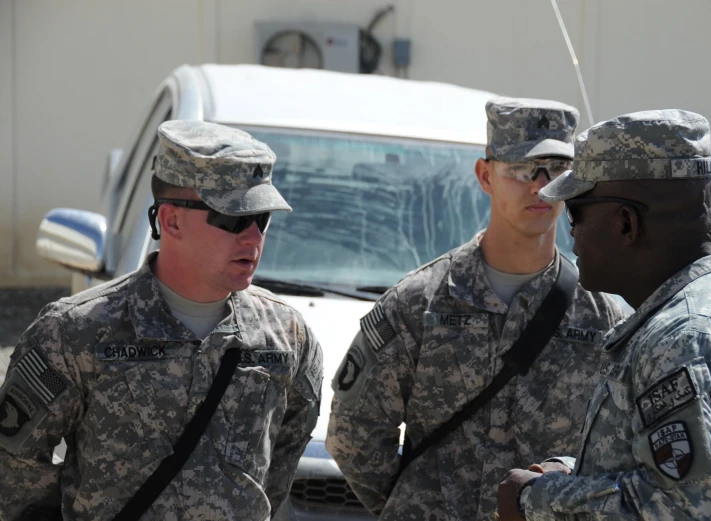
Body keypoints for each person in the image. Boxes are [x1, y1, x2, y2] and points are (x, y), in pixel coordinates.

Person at [0, 120, 323, 520]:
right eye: (235, 219)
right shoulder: (72, 333)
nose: (253, 237)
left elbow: (283, 460)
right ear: (171, 221)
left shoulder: (287, 338)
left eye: (262, 219)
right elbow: (14, 470)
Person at [326, 97, 625, 521]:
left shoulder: (603, 319)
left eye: (558, 170)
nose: (541, 186)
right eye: (523, 169)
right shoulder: (420, 302)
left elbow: (620, 448)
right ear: (486, 175)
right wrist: (414, 504)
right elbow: (352, 434)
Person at [497, 110, 711, 520]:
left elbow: (694, 510)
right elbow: (680, 479)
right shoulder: (692, 320)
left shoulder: (689, 337)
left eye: (577, 212)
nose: (571, 230)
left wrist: (535, 500)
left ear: (626, 224)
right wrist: (574, 473)